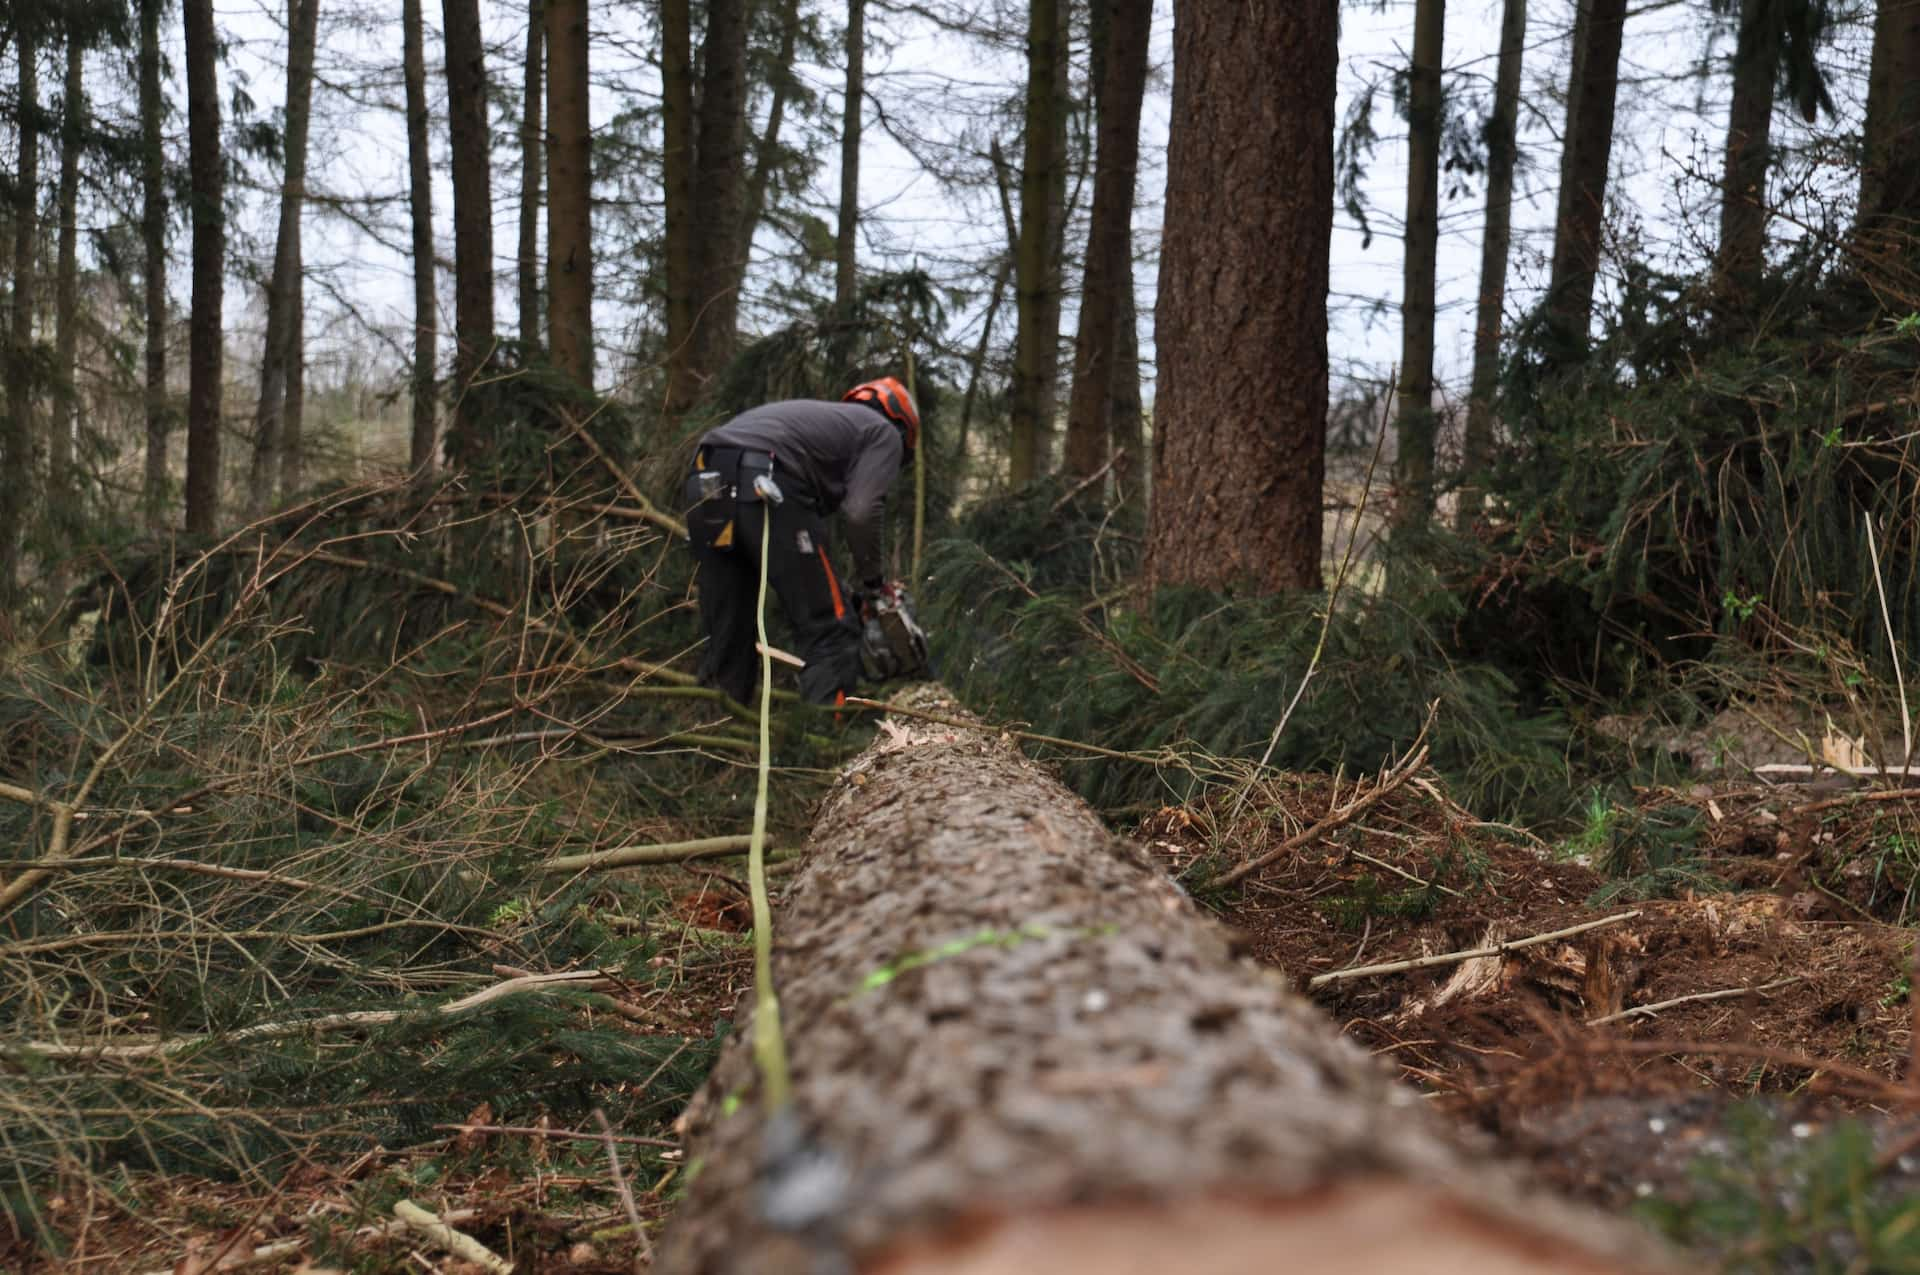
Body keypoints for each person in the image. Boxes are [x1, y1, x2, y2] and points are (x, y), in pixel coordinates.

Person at [681, 378, 919, 707]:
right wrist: (873, 585)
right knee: (832, 630)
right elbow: (861, 512)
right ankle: (825, 748)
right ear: (904, 427)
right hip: (765, 483)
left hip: (706, 481)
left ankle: (714, 746)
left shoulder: (824, 426)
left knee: (727, 637)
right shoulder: (884, 432)